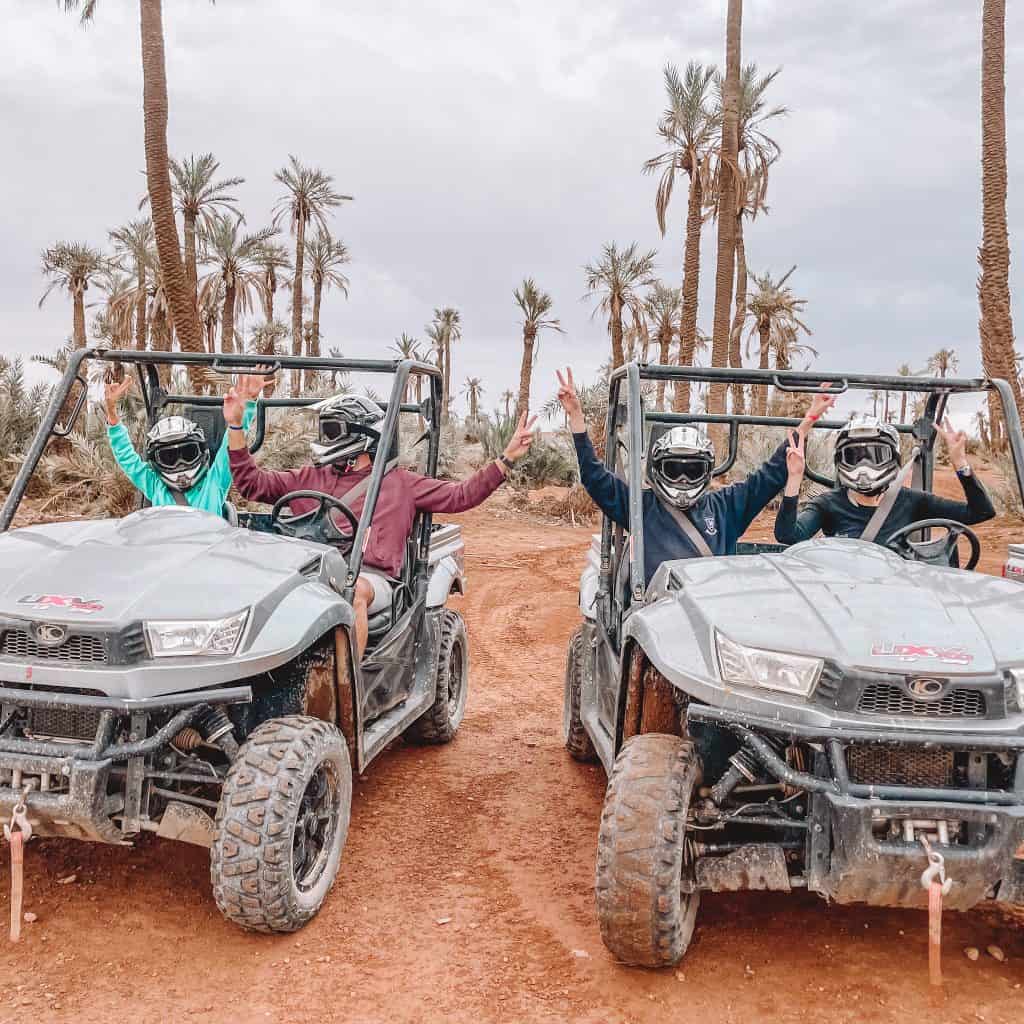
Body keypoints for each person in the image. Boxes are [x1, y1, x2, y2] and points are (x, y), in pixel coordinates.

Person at [223, 383, 537, 657]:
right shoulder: (311, 477)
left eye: (331, 431)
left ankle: (349, 690)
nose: (324, 438)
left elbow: (461, 495)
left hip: (372, 579)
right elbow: (253, 485)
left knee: (353, 590)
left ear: (360, 435)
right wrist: (236, 427)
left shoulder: (400, 483)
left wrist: (505, 458)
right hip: (313, 571)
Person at [554, 367, 837, 585]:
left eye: (692, 470)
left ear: (706, 470)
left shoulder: (726, 507)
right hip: (653, 620)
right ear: (658, 469)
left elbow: (769, 476)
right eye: (674, 469)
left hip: (711, 619)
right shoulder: (640, 507)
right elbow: (593, 476)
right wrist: (577, 417)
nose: (683, 479)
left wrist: (809, 419)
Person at [774, 412, 995, 546]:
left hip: (897, 599)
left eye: (874, 456)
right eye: (855, 457)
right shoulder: (828, 504)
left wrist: (961, 465)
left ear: (893, 459)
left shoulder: (911, 501)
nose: (864, 467)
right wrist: (794, 478)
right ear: (841, 460)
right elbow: (788, 536)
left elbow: (981, 512)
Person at [103, 375, 259, 513]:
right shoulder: (156, 486)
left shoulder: (214, 482)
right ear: (157, 462)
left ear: (200, 452)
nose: (180, 464)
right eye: (169, 457)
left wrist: (248, 404)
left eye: (188, 453)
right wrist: (111, 413)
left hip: (210, 546)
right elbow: (128, 460)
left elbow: (232, 442)